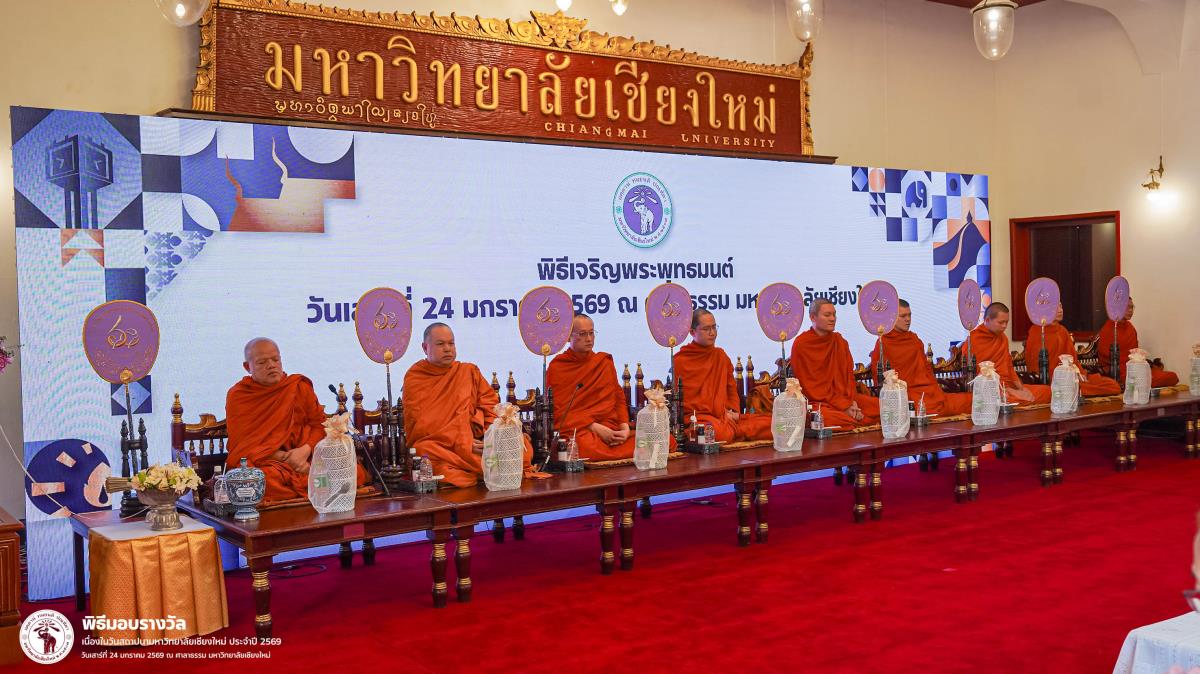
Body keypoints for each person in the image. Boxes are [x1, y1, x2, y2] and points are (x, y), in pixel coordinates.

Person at [225, 337, 368, 501]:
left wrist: (305, 451)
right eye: (262, 362)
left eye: (275, 359)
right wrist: (286, 458)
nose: (271, 365)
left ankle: (311, 482)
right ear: (247, 367)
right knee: (260, 481)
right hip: (269, 461)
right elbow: (243, 445)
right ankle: (317, 485)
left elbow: (319, 426)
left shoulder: (298, 387)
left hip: (307, 456)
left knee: (352, 470)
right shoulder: (239, 396)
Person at [403, 323, 541, 487]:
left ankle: (477, 472)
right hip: (444, 447)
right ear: (425, 348)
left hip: (478, 443)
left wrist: (490, 439)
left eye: (451, 343)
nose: (447, 349)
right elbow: (422, 426)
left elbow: (491, 408)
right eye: (440, 344)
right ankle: (486, 472)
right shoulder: (416, 377)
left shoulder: (468, 371)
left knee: (520, 444)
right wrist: (462, 440)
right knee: (422, 451)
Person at [546, 314, 637, 460]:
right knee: (579, 446)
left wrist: (624, 428)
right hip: (581, 429)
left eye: (591, 333)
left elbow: (618, 399)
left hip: (611, 427)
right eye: (582, 334)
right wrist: (595, 427)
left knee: (659, 439)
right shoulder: (558, 367)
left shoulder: (603, 362)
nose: (589, 339)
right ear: (568, 337)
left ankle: (613, 449)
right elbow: (559, 413)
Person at [673, 309, 772, 442]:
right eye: (706, 329)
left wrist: (733, 413)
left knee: (774, 423)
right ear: (692, 332)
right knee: (714, 431)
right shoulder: (680, 361)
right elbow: (681, 404)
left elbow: (731, 391)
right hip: (699, 418)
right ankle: (734, 432)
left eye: (714, 327)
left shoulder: (720, 356)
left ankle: (733, 431)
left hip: (725, 417)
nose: (712, 333)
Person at [868, 299, 972, 415]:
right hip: (905, 394)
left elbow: (926, 371)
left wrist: (935, 390)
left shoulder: (914, 340)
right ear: (892, 318)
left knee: (971, 400)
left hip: (927, 391)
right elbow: (880, 378)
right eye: (903, 316)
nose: (908, 319)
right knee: (919, 406)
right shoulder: (883, 343)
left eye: (909, 315)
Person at [790, 298, 881, 428]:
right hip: (818, 402)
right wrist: (843, 406)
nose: (832, 319)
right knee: (823, 418)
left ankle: (852, 416)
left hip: (846, 398)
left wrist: (851, 403)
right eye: (827, 315)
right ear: (813, 317)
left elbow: (848, 379)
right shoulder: (802, 344)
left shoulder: (840, 342)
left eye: (834, 314)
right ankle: (851, 418)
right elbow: (809, 388)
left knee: (882, 408)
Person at [1024, 303, 1120, 396]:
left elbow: (1074, 361)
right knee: (1065, 389)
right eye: (1056, 307)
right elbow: (1034, 367)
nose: (1060, 310)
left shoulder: (1062, 331)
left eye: (1061, 306)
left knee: (1112, 385)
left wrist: (1079, 374)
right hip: (1055, 381)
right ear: (1046, 310)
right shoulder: (1037, 332)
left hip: (1072, 377)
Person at [968, 302, 1052, 405]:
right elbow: (977, 377)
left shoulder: (1003, 338)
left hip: (1008, 386)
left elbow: (1009, 367)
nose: (1004, 326)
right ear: (987, 320)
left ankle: (1016, 401)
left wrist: (1021, 389)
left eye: (1006, 322)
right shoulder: (973, 341)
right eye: (1001, 322)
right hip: (991, 389)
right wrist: (1008, 391)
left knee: (1047, 391)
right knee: (996, 399)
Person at [1096, 297, 1179, 387]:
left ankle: (1143, 381)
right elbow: (1105, 357)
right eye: (1127, 307)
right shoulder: (1109, 328)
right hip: (1121, 372)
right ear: (1118, 307)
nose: (1130, 310)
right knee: (1140, 380)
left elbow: (1135, 352)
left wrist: (1139, 361)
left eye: (1132, 307)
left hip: (1136, 367)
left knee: (1172, 376)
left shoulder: (1130, 327)